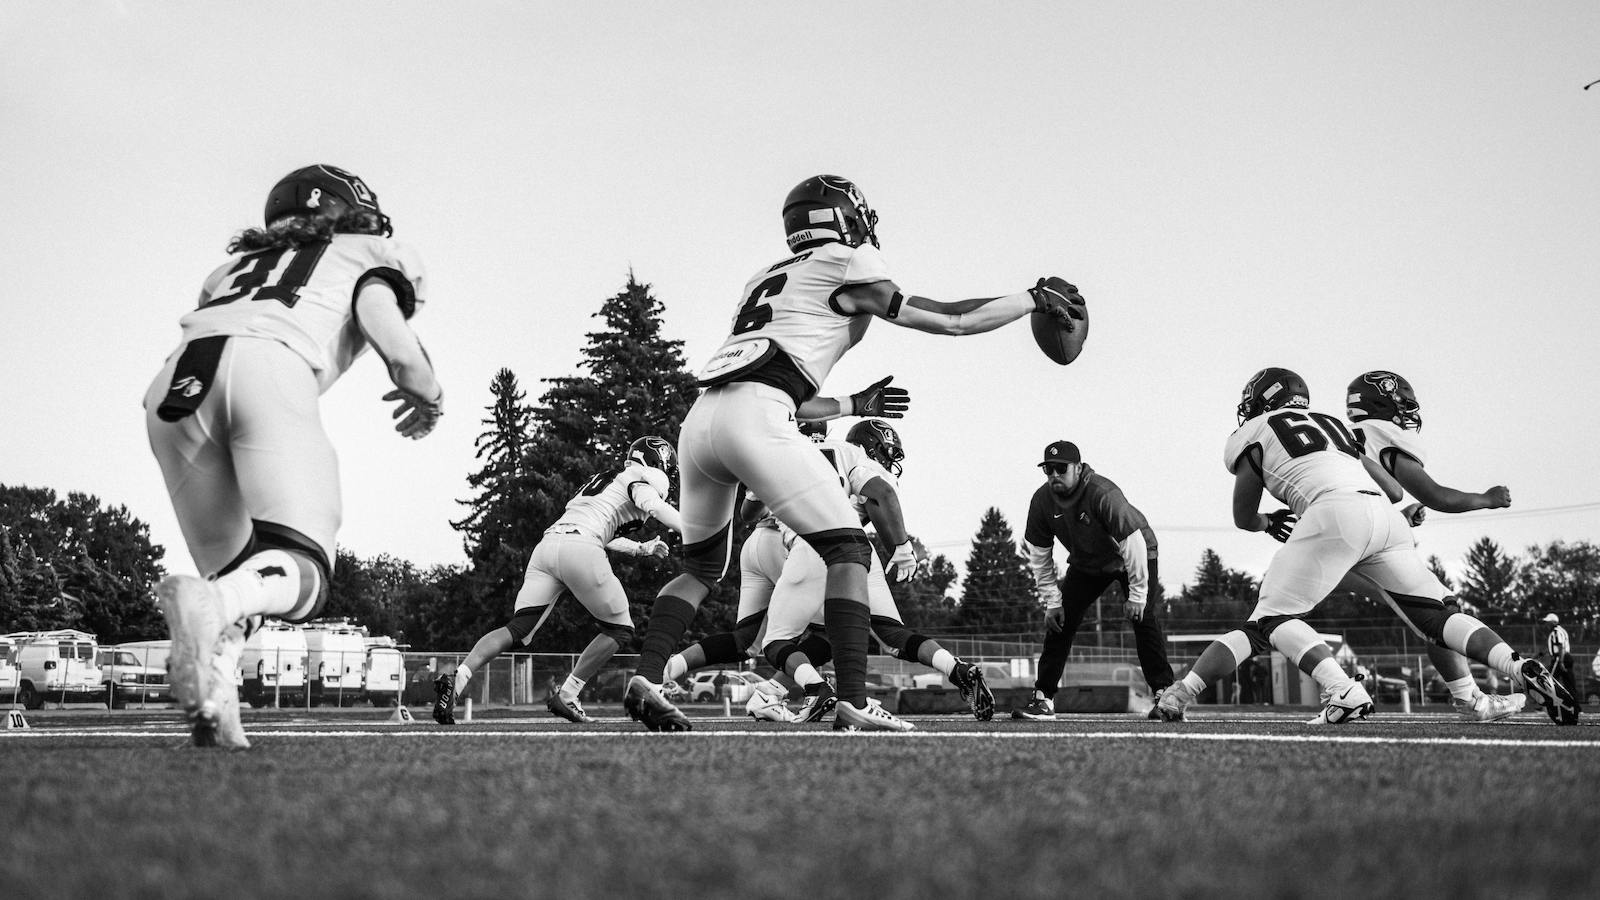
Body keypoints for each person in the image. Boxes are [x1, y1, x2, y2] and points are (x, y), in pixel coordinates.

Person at [623, 174, 1085, 732]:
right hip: (758, 416)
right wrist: (1030, 298)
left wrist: (852, 403)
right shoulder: (846, 262)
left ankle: (647, 677)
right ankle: (852, 698)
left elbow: (776, 377)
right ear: (844, 218)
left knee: (699, 569)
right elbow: (951, 320)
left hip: (701, 423)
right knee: (847, 547)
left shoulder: (763, 277)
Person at [148, 165, 442, 749]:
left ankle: (217, 704)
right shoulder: (366, 252)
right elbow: (397, 346)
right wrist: (429, 395)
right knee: (302, 570)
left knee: (245, 577)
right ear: (349, 210)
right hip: (270, 367)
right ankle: (211, 604)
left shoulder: (227, 269)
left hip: (174, 390)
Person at [1156, 367, 1578, 726]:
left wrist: (1267, 521)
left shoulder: (1254, 431)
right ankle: (1516, 666)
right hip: (1382, 516)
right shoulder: (1334, 424)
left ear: (1260, 402)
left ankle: (1342, 690)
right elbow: (1392, 489)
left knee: (1269, 622)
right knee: (1439, 617)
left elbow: (1243, 516)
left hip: (1333, 515)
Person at [756, 419, 994, 726]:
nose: (887, 461)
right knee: (892, 636)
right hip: (856, 550)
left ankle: (816, 688)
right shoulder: (854, 458)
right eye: (885, 452)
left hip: (812, 546)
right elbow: (881, 497)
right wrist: (901, 547)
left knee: (776, 642)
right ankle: (956, 669)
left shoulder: (793, 453)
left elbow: (749, 511)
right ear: (869, 445)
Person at [432, 438, 681, 725]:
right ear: (658, 461)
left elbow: (605, 529)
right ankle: (569, 693)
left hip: (548, 546)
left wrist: (641, 548)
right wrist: (693, 529)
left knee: (517, 628)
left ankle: (458, 679)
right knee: (620, 629)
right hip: (582, 548)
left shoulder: (605, 479)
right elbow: (653, 506)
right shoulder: (645, 479)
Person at [1344, 370, 1524, 723]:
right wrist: (1486, 499)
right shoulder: (1383, 434)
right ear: (1384, 403)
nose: (1409, 413)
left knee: (1273, 614)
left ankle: (1338, 687)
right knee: (1436, 612)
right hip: (1363, 545)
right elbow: (1436, 495)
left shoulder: (1339, 435)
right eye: (1404, 404)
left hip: (1325, 534)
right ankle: (1494, 684)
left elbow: (1356, 499)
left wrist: (1398, 515)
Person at [1012, 441, 1175, 721]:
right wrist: (1052, 602)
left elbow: (1132, 542)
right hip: (1087, 562)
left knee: (1143, 618)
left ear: (1078, 467)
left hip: (1132, 555)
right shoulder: (1041, 501)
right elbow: (1040, 555)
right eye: (1048, 469)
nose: (1054, 475)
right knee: (1060, 621)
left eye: (1060, 469)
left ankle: (1165, 696)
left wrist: (1136, 596)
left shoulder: (1102, 492)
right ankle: (1043, 699)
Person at [1541, 613, 1578, 709]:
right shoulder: (1559, 631)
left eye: (1548, 622)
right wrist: (1538, 655)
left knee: (1549, 681)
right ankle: (1575, 707)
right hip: (1565, 658)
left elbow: (1561, 647)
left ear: (1554, 622)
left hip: (1559, 659)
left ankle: (1547, 706)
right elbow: (1549, 648)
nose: (1546, 624)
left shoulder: (1556, 632)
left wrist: (1561, 661)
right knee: (1569, 683)